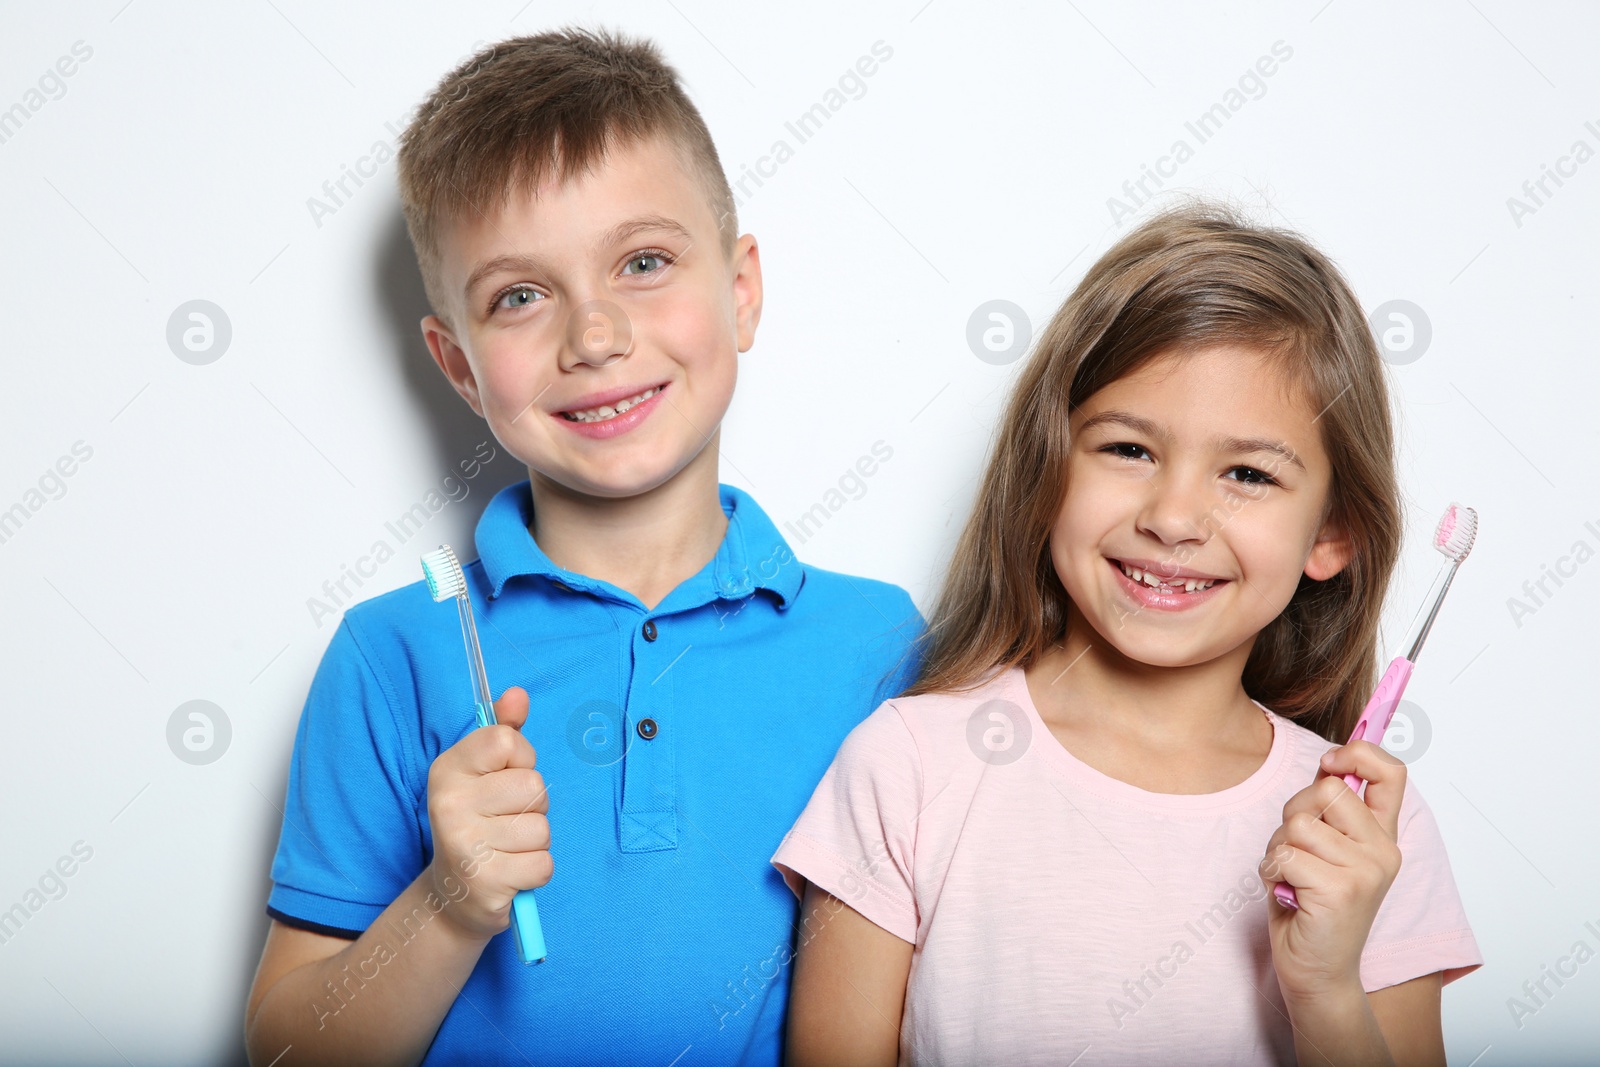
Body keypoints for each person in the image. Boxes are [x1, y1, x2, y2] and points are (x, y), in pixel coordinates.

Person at [244, 28, 921, 1066]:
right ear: (460, 368)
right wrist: (447, 902)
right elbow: (289, 1051)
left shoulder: (882, 646)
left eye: (643, 262)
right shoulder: (392, 654)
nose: (593, 335)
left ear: (740, 291)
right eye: (520, 295)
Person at [773, 201, 1482, 1066]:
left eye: (1249, 473)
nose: (1176, 516)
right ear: (1047, 466)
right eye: (1129, 450)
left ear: (1332, 535)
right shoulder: (909, 766)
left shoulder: (1370, 836)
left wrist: (1328, 988)